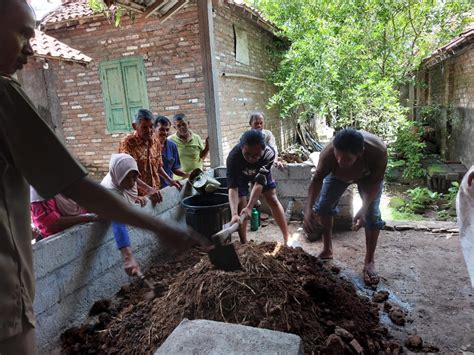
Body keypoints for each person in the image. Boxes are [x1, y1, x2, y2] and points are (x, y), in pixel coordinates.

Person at [0, 1, 202, 352]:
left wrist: (160, 186)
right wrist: (162, 227)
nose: (30, 49)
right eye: (23, 34)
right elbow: (81, 188)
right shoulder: (4, 95)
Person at [303, 128, 387, 286]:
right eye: (338, 156)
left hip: (369, 178)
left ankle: (369, 261)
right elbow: (317, 180)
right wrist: (308, 209)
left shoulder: (378, 152)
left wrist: (363, 208)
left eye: (347, 159)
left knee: (373, 215)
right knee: (323, 206)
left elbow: (375, 183)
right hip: (337, 177)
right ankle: (327, 249)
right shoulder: (328, 155)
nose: (341, 161)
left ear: (361, 152)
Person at [227, 130, 290, 245]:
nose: (251, 158)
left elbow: (259, 183)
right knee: (242, 202)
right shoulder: (233, 157)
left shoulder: (268, 154)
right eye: (247, 154)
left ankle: (287, 237)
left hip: (259, 174)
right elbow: (233, 188)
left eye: (256, 155)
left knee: (272, 198)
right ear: (241, 148)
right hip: (241, 175)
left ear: (263, 149)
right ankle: (244, 242)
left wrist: (250, 207)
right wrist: (234, 214)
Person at [119, 109, 180, 200]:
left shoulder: (155, 141)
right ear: (135, 126)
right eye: (144, 127)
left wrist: (170, 180)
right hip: (137, 196)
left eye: (151, 126)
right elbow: (128, 173)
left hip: (155, 191)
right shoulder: (127, 143)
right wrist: (148, 190)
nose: (149, 130)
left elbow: (158, 166)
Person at [101, 154, 146, 277]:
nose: (133, 182)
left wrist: (135, 197)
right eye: (129, 178)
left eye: (135, 176)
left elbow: (131, 184)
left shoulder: (123, 176)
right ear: (118, 177)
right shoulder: (110, 191)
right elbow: (118, 223)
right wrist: (128, 258)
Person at [30, 187, 98, 240]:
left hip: (80, 234)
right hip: (56, 243)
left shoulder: (65, 181)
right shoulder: (39, 191)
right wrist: (89, 217)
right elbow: (51, 224)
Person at [154, 116, 189, 187]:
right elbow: (156, 167)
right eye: (161, 129)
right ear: (154, 129)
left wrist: (187, 175)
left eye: (167, 130)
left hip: (168, 185)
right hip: (153, 187)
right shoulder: (149, 146)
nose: (165, 132)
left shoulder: (172, 146)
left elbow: (175, 168)